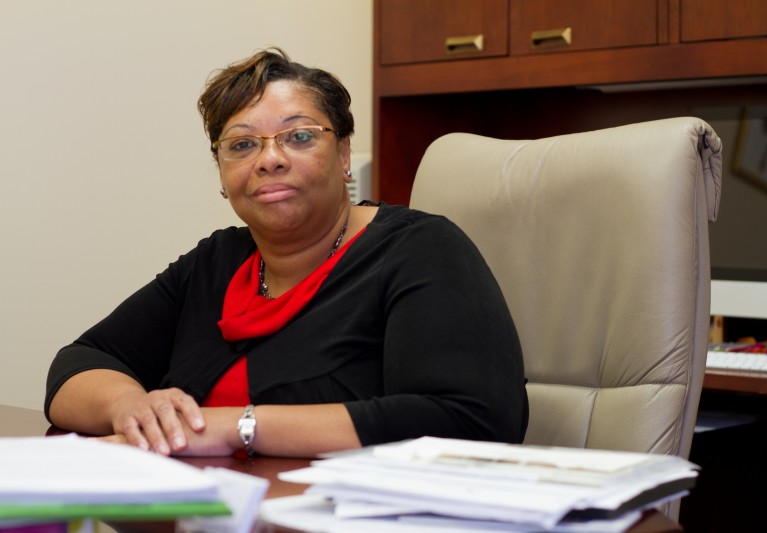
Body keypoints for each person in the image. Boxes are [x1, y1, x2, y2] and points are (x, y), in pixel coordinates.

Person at [44, 48, 528, 458]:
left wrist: (232, 428)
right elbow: (81, 361)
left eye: (299, 136)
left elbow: (470, 421)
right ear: (221, 173)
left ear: (342, 156)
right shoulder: (216, 263)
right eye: (242, 144)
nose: (269, 158)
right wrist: (130, 407)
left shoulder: (420, 249)